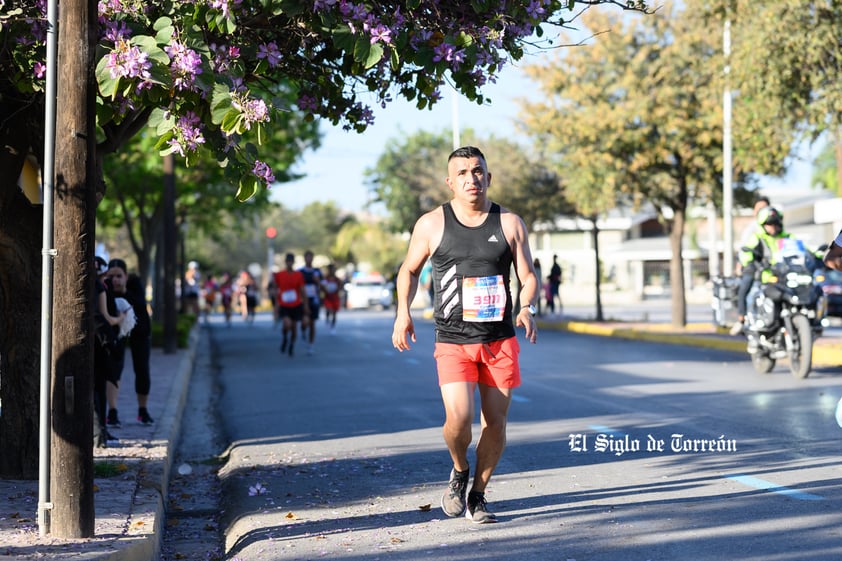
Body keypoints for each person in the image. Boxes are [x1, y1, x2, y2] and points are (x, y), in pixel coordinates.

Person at [391, 146, 538, 524]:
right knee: (459, 419)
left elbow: (528, 275)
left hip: (499, 340)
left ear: (488, 177)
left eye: (477, 171)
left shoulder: (509, 223)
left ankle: (479, 494)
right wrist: (402, 313)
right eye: (462, 173)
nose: (471, 179)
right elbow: (408, 271)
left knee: (496, 422)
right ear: (450, 182)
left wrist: (526, 306)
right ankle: (459, 470)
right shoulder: (431, 224)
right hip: (453, 339)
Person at [732, 206, 797, 334]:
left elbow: (801, 249)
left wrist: (818, 254)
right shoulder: (757, 237)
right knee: (745, 284)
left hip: (784, 275)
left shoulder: (787, 237)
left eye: (775, 223)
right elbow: (746, 252)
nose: (772, 227)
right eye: (768, 224)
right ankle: (742, 318)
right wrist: (750, 262)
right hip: (763, 273)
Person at [93, 255, 125, 447]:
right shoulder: (99, 287)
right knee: (98, 388)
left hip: (96, 343)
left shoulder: (95, 286)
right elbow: (106, 318)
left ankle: (101, 432)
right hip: (103, 343)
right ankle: (99, 434)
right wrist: (121, 317)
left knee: (99, 388)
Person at [273, 253, 310, 357]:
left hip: (296, 304)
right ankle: (284, 337)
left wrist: (306, 305)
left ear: (293, 262)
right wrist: (276, 305)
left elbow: (302, 290)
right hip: (284, 305)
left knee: (294, 328)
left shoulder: (298, 275)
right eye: (288, 261)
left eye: (291, 261)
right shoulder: (280, 275)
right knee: (287, 324)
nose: (289, 263)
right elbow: (276, 290)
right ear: (286, 262)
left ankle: (291, 345)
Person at [298, 250, 322, 354]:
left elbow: (323, 285)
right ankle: (303, 329)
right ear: (304, 258)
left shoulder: (317, 272)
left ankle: (311, 345)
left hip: (314, 300)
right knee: (304, 322)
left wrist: (318, 282)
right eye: (307, 257)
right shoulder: (300, 272)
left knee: (312, 323)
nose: (309, 259)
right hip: (303, 300)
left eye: (311, 257)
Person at [320, 263, 342, 334]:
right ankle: (327, 319)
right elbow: (322, 287)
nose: (332, 271)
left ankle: (333, 326)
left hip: (335, 298)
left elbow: (340, 287)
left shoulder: (337, 279)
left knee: (334, 313)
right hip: (328, 298)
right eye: (331, 269)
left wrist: (337, 289)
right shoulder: (325, 279)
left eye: (333, 269)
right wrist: (325, 290)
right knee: (329, 310)